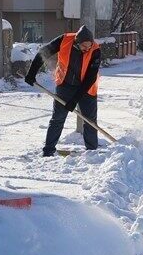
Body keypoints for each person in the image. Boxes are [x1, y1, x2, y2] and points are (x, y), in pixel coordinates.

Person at [24, 25, 101, 157]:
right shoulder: (64, 40)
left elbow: (90, 77)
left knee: (90, 120)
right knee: (57, 118)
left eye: (89, 46)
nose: (87, 49)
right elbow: (43, 53)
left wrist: (75, 100)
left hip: (87, 88)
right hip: (65, 85)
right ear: (77, 42)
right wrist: (31, 73)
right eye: (84, 46)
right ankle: (48, 150)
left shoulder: (95, 50)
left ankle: (92, 153)